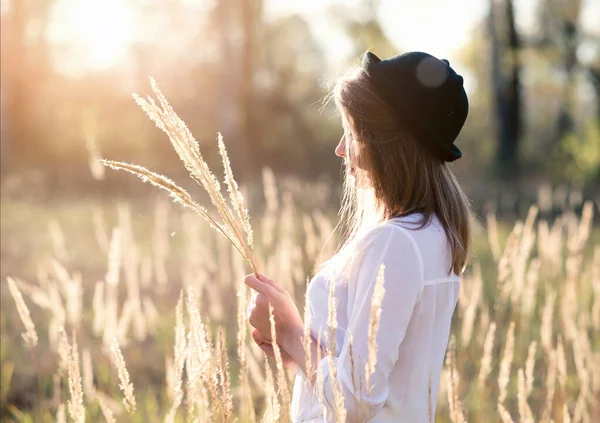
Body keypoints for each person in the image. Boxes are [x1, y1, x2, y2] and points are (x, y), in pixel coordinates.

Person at [245, 51, 472, 423]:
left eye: (351, 131)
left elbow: (356, 402)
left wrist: (289, 328)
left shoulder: (395, 243)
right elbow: (389, 374)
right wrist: (295, 343)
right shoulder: (434, 234)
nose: (339, 148)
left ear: (384, 142)